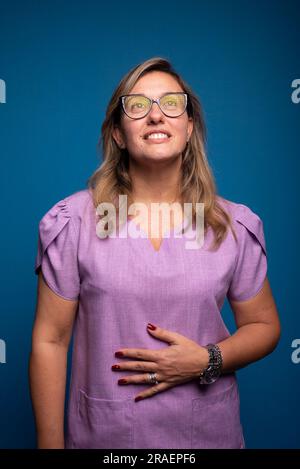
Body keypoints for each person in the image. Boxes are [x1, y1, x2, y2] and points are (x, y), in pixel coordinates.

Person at [29, 57, 281, 449]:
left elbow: (264, 327)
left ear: (189, 125)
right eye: (138, 106)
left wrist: (206, 360)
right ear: (117, 132)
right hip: (106, 438)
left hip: (207, 437)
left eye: (171, 103)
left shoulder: (232, 223)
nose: (156, 116)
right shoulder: (73, 222)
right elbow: (51, 340)